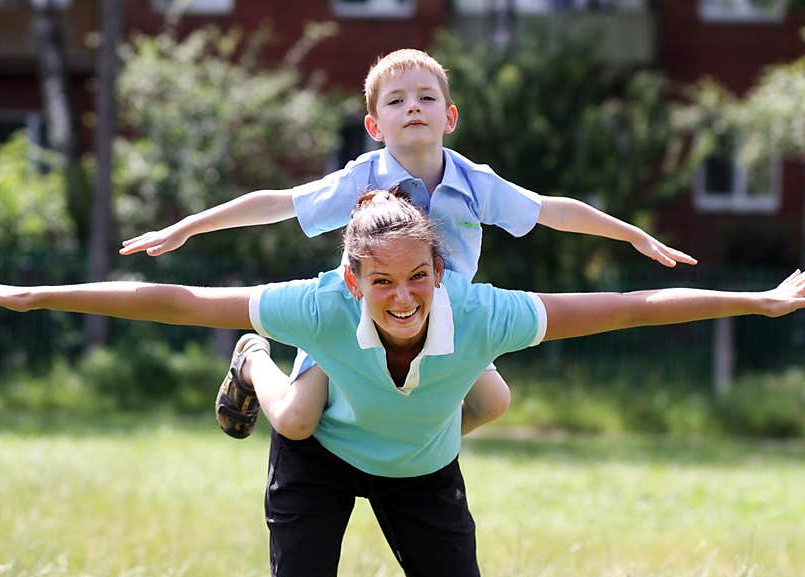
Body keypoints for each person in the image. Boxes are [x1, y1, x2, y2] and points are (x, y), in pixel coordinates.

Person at [0, 190, 805, 577]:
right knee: (295, 446)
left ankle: (330, 388)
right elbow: (174, 299)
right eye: (383, 281)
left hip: (422, 472)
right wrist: (38, 294)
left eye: (418, 278)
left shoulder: (482, 313)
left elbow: (629, 308)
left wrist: (757, 301)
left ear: (440, 270)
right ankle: (256, 358)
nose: (402, 295)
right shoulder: (320, 305)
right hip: (320, 459)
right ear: (354, 281)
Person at [118, 48, 698, 441]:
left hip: (445, 322)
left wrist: (632, 234)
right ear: (376, 126)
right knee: (296, 422)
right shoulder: (360, 179)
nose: (411, 107)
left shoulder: (477, 184)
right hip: (358, 317)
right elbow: (277, 202)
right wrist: (188, 225)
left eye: (424, 98)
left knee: (493, 403)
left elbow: (552, 211)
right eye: (395, 102)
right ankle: (252, 360)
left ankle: (400, 445)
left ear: (448, 116)